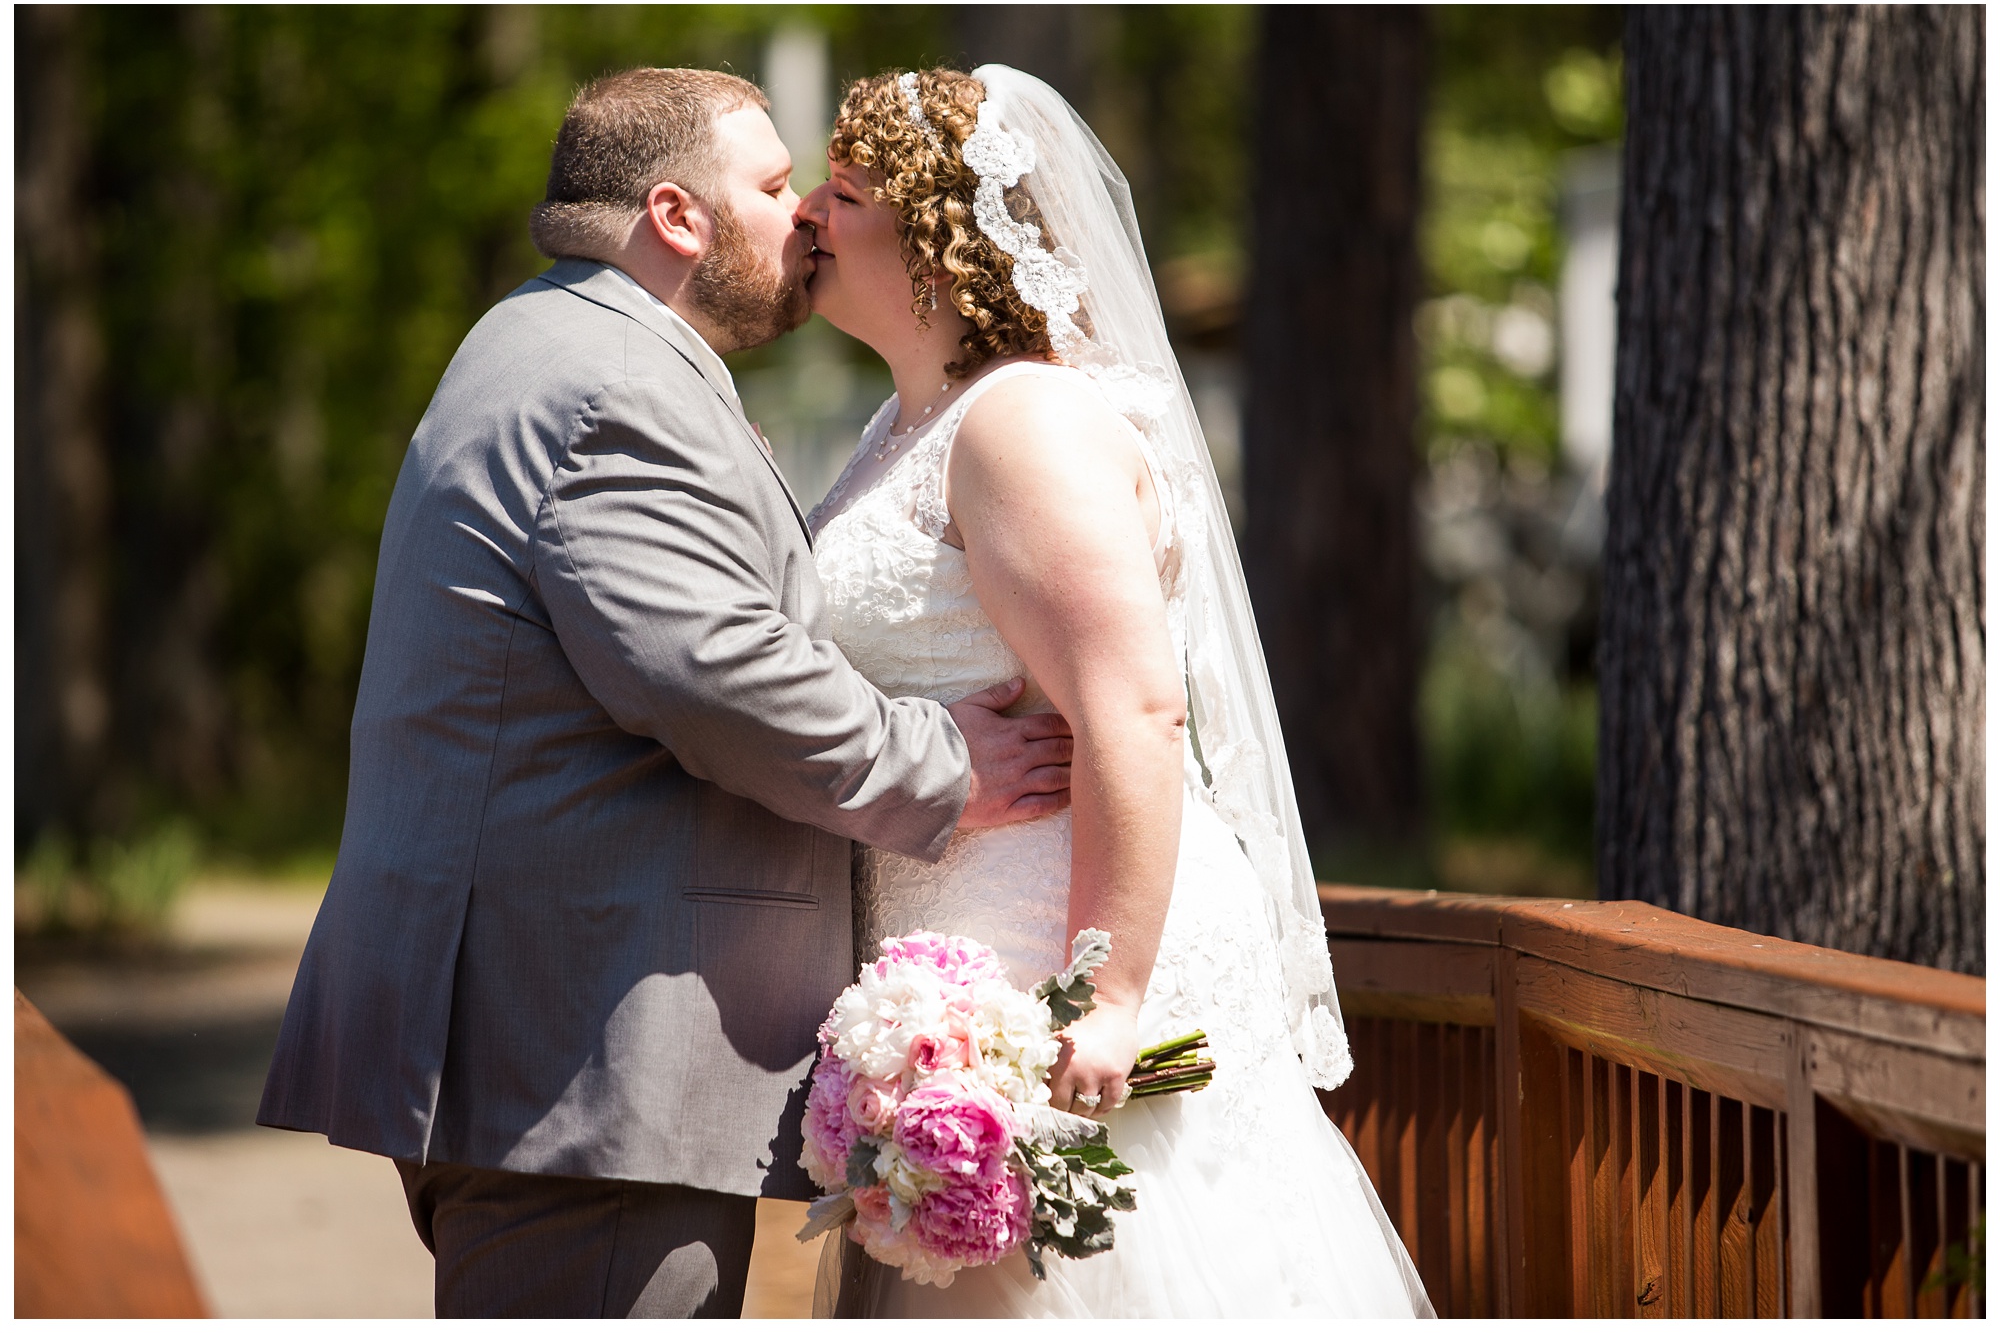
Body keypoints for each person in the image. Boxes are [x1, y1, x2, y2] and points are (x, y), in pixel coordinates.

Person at [255, 67, 1074, 1319]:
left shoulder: (555, 340)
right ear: (678, 217)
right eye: (769, 182)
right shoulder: (612, 388)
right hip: (586, 1054)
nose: (800, 213)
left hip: (556, 1044)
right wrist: (947, 766)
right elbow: (714, 672)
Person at [795, 65, 1435, 1317]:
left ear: (936, 239)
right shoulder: (899, 429)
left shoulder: (1020, 422)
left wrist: (1105, 994)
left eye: (846, 189)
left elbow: (1133, 709)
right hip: (945, 965)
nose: (810, 212)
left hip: (1052, 975)